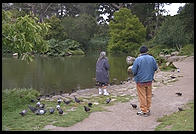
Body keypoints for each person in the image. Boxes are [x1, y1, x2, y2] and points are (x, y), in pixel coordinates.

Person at [131, 46, 158, 117]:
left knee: (142, 96)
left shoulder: (138, 59)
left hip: (140, 81)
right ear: (147, 51)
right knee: (148, 95)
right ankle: (148, 108)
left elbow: (134, 70)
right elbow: (155, 68)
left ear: (140, 52)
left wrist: (136, 75)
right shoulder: (152, 58)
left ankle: (144, 111)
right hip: (149, 80)